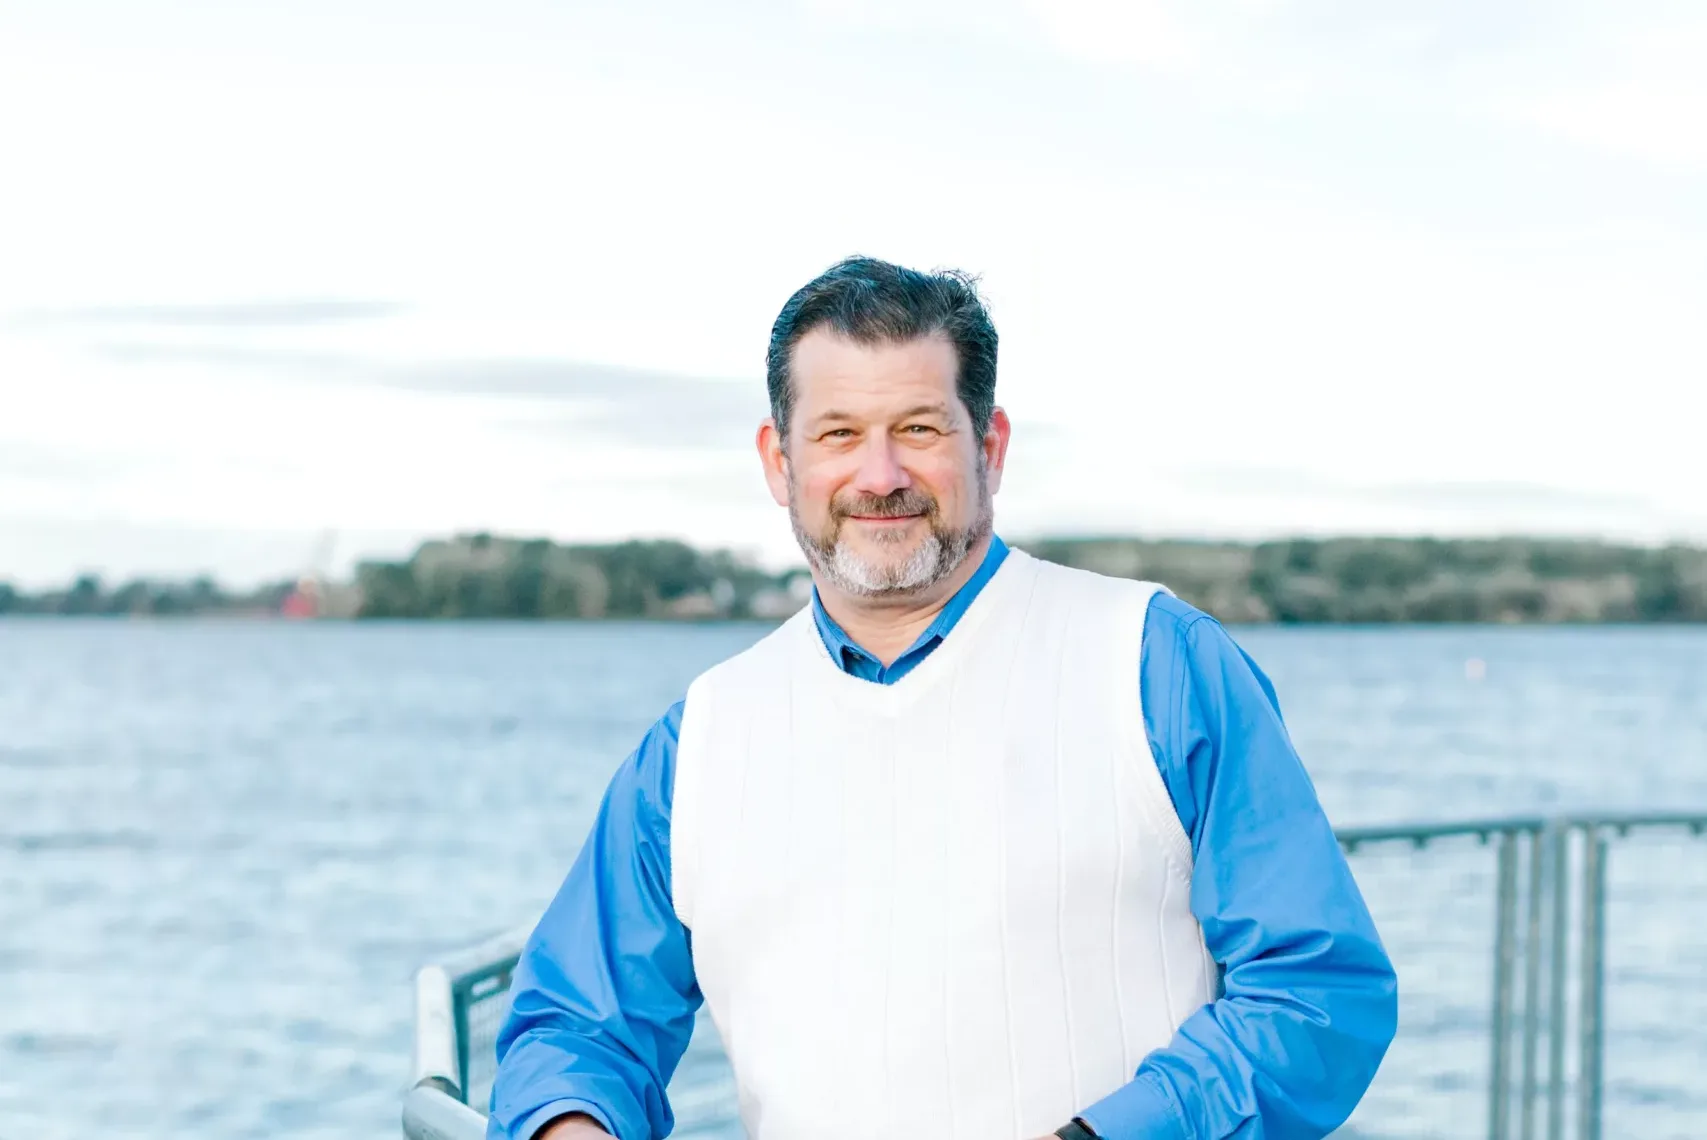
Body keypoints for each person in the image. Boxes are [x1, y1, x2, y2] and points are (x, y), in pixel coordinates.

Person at [487, 256, 1398, 1140]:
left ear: (988, 448)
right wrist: (570, 1124)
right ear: (778, 460)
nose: (879, 475)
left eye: (918, 429)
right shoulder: (700, 741)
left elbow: (1315, 993)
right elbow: (577, 1027)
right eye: (838, 434)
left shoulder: (1157, 662)